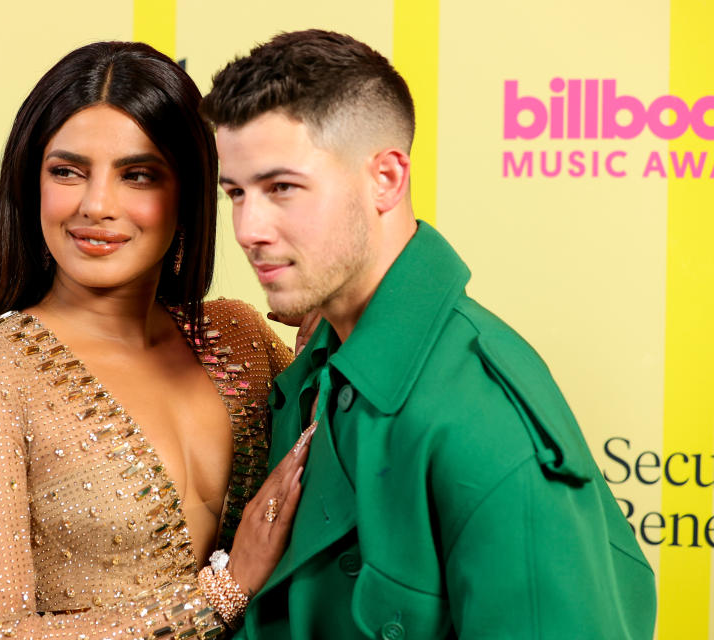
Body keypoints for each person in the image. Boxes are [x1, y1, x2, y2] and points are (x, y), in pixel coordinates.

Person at [201, 29, 657, 639]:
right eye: (236, 193)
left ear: (386, 178)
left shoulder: (480, 413)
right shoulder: (316, 363)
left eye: (282, 188)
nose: (249, 229)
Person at [0, 41, 311, 640]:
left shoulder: (239, 336)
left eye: (138, 175)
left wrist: (331, 311)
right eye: (67, 171)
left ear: (188, 193)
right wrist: (220, 594)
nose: (96, 205)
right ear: (31, 185)